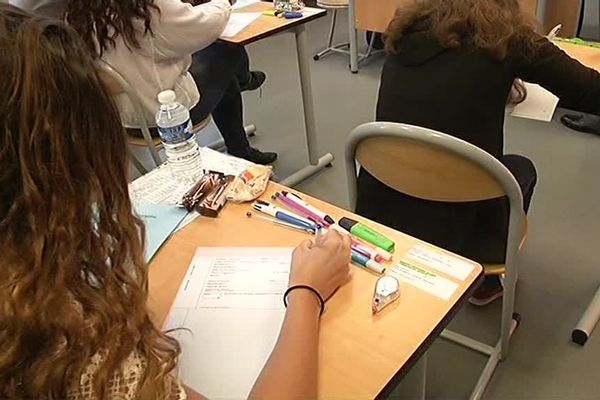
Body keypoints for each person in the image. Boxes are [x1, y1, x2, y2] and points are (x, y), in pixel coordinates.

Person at [0, 4, 350, 398]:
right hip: (161, 112)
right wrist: (307, 292)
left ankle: (240, 123)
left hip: (137, 114)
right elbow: (209, 24)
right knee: (222, 53)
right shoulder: (68, 345)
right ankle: (241, 121)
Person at [356, 0, 600, 305]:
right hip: (462, 234)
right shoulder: (509, 37)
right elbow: (590, 91)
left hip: (381, 212)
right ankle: (484, 281)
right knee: (519, 170)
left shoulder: (404, 28)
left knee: (453, 162)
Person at [11, 0, 277, 165]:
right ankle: (244, 87)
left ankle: (240, 145)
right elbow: (203, 26)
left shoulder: (75, 10)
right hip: (165, 119)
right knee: (223, 50)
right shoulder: (146, 7)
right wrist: (223, 3)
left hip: (116, 117)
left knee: (219, 74)